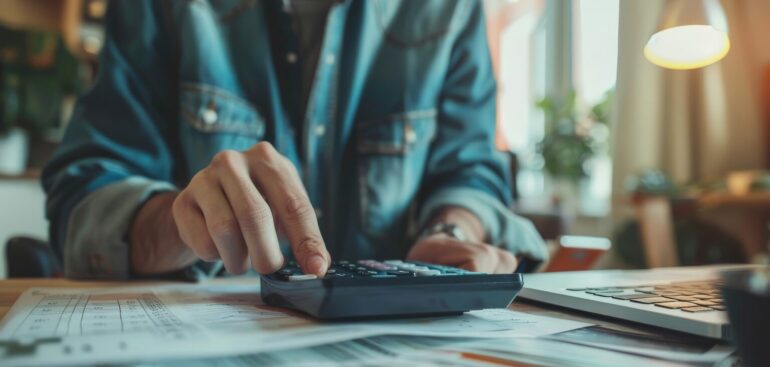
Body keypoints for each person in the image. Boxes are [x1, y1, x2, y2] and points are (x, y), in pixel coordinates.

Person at [42, 0, 547, 280]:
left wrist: (454, 231)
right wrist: (181, 225)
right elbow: (80, 202)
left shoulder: (450, 11)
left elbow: (470, 171)